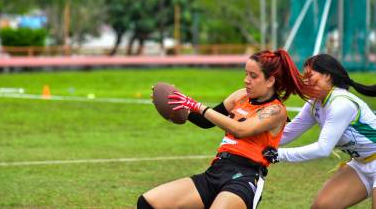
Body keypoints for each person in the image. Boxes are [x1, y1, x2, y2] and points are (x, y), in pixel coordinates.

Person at [137, 49, 317, 209]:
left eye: (253, 76)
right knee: (148, 202)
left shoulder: (276, 110)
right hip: (217, 170)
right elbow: (206, 121)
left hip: (244, 178)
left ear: (270, 80)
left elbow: (241, 129)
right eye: (246, 74)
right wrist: (179, 106)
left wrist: (197, 105)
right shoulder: (241, 95)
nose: (246, 80)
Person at [262, 53, 376, 208]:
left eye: (310, 76)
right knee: (321, 206)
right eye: (304, 77)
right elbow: (288, 133)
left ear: (327, 76)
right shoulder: (315, 102)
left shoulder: (340, 103)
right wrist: (251, 139)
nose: (305, 81)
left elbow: (323, 149)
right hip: (361, 163)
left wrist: (278, 155)